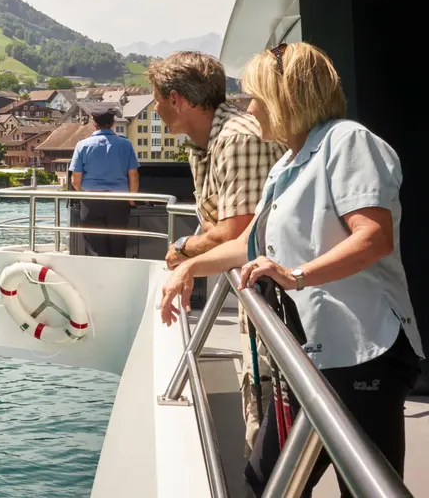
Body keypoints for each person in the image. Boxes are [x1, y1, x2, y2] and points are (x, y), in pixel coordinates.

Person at [159, 43, 423, 496]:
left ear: (287, 96)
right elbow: (249, 243)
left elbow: (374, 237)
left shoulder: (348, 142)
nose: (249, 108)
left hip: (364, 349)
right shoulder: (286, 163)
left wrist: (296, 275)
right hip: (308, 354)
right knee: (263, 478)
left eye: (256, 97)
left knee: (364, 485)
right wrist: (191, 267)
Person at [146, 51, 285, 454]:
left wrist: (181, 250)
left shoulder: (237, 138)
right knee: (260, 408)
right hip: (257, 287)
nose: (154, 110)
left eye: (156, 100)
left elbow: (236, 232)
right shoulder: (204, 142)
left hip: (275, 296)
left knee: (269, 418)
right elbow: (217, 229)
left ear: (177, 100)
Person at [68, 107, 140, 258]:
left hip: (92, 202)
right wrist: (131, 199)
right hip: (119, 201)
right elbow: (133, 176)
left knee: (95, 248)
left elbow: (75, 180)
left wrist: (84, 196)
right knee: (118, 246)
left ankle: (99, 280)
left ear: (94, 124)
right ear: (113, 123)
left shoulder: (82, 145)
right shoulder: (126, 145)